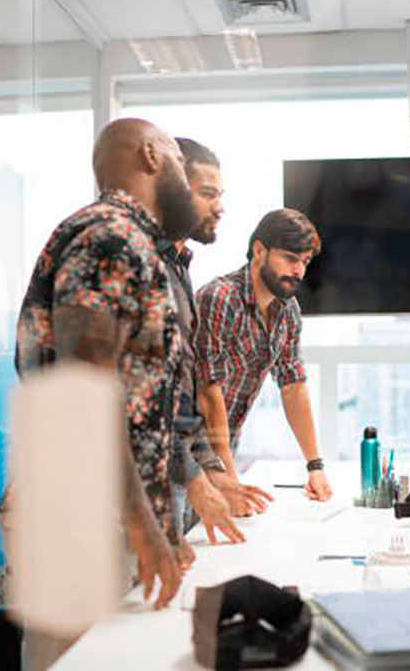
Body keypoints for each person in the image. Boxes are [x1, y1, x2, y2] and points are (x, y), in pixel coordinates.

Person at [10, 118, 240, 616]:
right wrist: (144, 525)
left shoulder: (136, 246)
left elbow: (147, 404)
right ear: (152, 156)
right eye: (179, 163)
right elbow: (82, 398)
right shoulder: (109, 238)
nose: (184, 178)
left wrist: (161, 521)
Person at [163, 138, 273, 538]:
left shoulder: (177, 266)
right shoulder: (138, 262)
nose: (220, 207)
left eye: (220, 195)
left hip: (174, 464)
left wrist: (212, 471)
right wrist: (199, 476)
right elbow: (135, 395)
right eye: (208, 194)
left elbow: (181, 391)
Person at [195, 208, 333, 500]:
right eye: (291, 259)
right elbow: (208, 391)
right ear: (259, 250)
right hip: (187, 452)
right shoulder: (220, 298)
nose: (299, 271)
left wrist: (315, 467)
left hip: (225, 446)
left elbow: (293, 385)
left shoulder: (288, 310)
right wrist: (228, 479)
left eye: (305, 262)